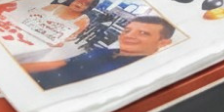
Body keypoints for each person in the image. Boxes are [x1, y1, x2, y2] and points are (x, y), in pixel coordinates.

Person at [27, 15, 175, 87]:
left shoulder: (144, 71)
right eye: (127, 30)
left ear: (163, 42)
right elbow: (61, 63)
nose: (129, 36)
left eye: (143, 33)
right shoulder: (105, 51)